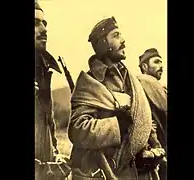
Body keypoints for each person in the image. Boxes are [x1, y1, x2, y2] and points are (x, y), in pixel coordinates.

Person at [68, 17, 165, 180]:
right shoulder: (89, 83)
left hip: (140, 172)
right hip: (108, 174)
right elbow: (77, 130)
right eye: (116, 35)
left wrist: (153, 149)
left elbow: (144, 120)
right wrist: (115, 125)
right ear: (103, 43)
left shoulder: (131, 80)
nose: (123, 40)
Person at [35, 2, 71, 180]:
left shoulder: (41, 71)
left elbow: (48, 127)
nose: (44, 29)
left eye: (44, 23)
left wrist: (55, 154)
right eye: (35, 23)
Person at [137, 48, 167, 180]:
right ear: (144, 66)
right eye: (156, 62)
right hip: (155, 150)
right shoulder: (144, 80)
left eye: (162, 63)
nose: (161, 66)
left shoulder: (160, 88)